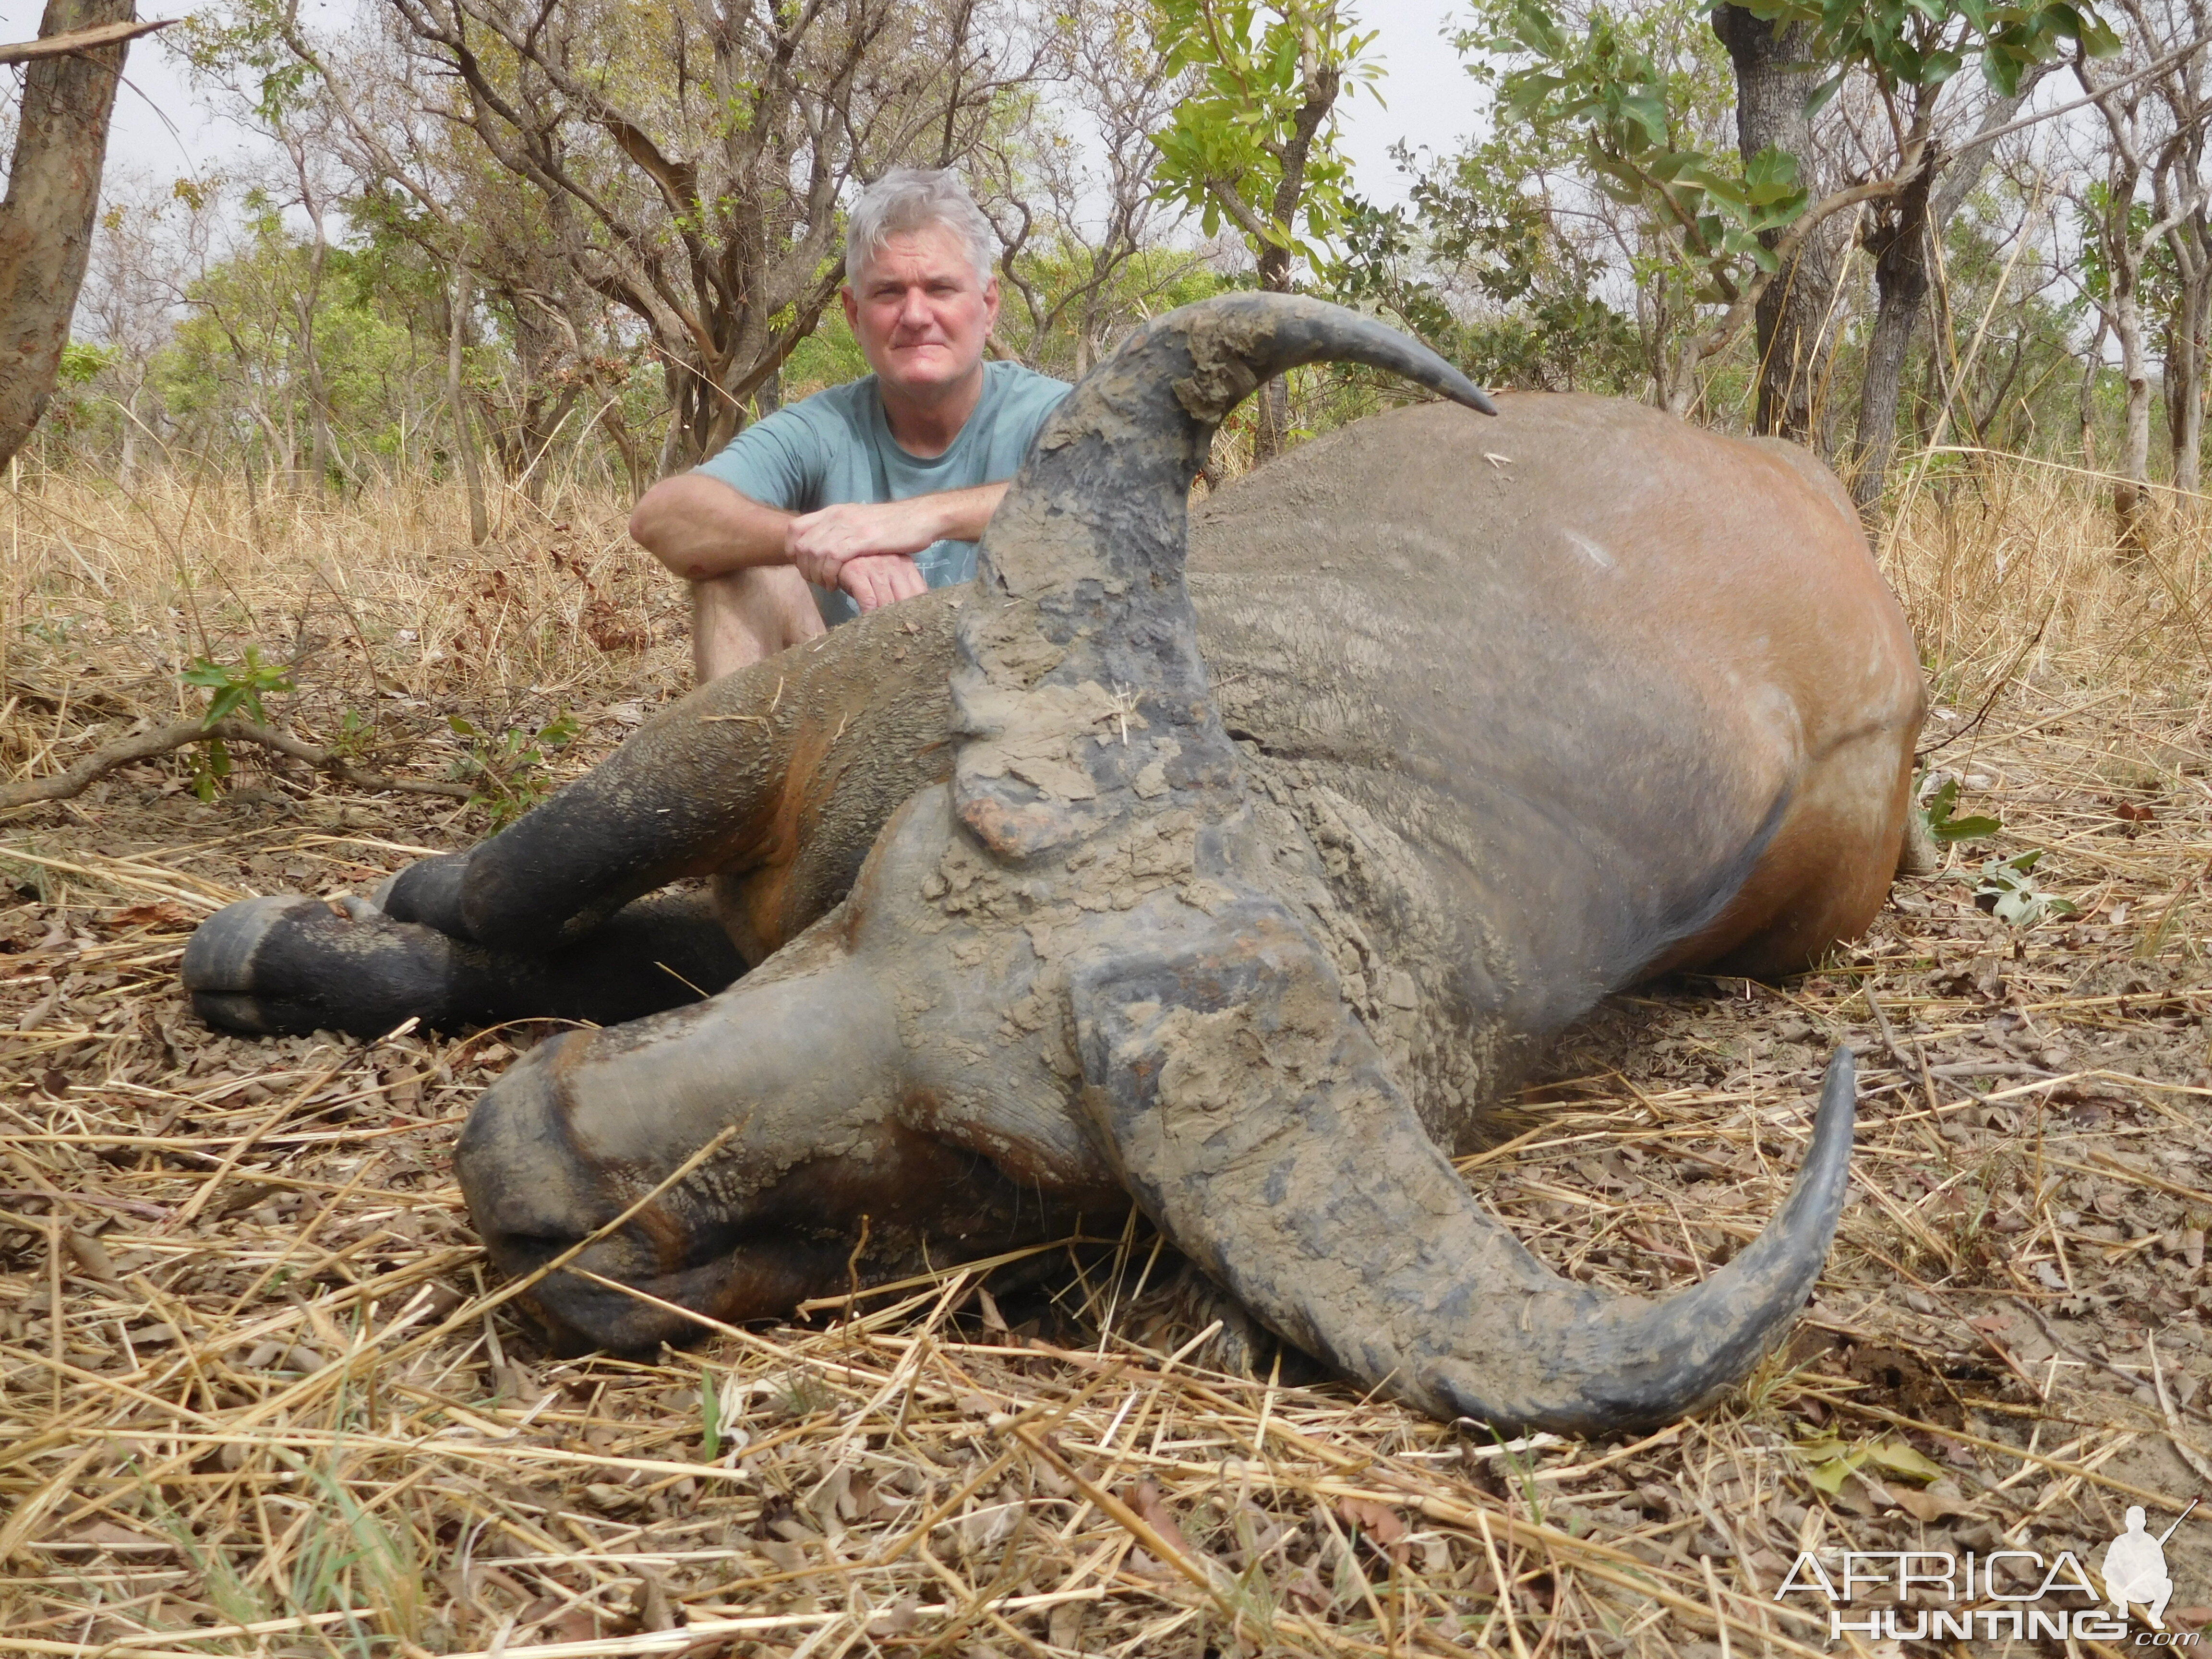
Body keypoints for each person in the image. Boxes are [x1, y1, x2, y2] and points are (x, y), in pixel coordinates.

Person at [628, 169, 1070, 682]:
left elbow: (1124, 495)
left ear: (989, 306)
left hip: (1029, 715)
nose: (915, 314)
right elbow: (661, 517)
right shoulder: (822, 428)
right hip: (852, 724)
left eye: (940, 288)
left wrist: (919, 519)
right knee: (735, 573)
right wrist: (815, 540)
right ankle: (752, 763)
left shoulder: (1053, 412)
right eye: (888, 293)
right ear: (854, 313)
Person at [2103, 1506, 2174, 1628]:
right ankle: (2123, 1609)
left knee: (2167, 1585)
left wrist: (2151, 1569)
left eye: (2139, 1522)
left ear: (2144, 1523)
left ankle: (2155, 1615)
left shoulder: (2151, 1542)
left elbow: (2163, 1570)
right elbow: (2107, 1569)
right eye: (2133, 1522)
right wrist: (2123, 1570)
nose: (2136, 1525)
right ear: (2127, 1523)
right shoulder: (2120, 1542)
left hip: (2145, 1586)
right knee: (2110, 1586)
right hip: (2123, 1587)